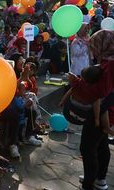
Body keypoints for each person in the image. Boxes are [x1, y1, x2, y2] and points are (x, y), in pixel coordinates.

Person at [61, 30, 114, 190]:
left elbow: (100, 91)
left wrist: (76, 83)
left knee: (88, 147)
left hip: (104, 110)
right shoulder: (108, 60)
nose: (94, 50)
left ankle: (89, 183)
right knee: (101, 144)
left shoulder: (110, 64)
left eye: (95, 46)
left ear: (103, 45)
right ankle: (99, 178)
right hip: (107, 110)